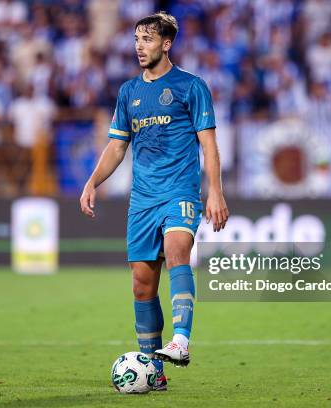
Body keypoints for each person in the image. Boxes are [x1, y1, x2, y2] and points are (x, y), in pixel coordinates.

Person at [79, 12, 228, 391]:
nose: (138, 47)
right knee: (142, 285)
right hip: (142, 200)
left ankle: (180, 341)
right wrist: (93, 181)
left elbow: (209, 145)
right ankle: (153, 372)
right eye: (135, 40)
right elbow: (116, 146)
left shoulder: (191, 87)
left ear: (166, 44)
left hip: (179, 190)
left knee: (178, 250)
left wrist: (215, 191)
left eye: (146, 39)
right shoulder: (129, 92)